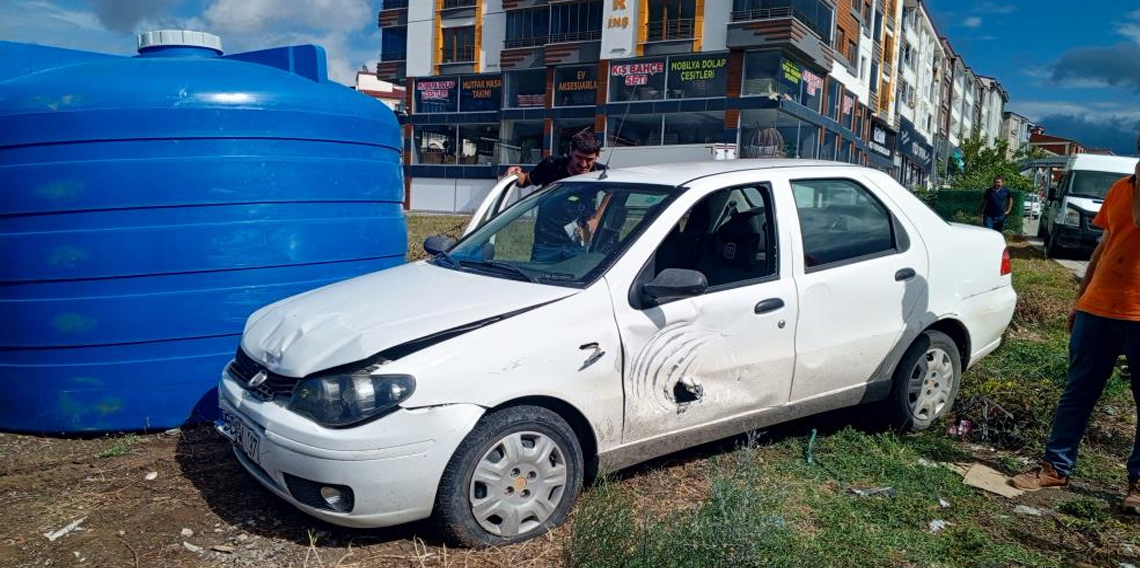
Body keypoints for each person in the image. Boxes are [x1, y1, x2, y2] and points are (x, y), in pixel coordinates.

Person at [1011, 129, 1140, 516]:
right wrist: (1079, 300)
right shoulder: (1120, 188)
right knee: (1078, 392)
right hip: (1097, 308)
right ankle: (1056, 467)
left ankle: (1137, 482)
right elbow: (1105, 245)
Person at [503, 132, 610, 263]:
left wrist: (596, 218)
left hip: (579, 241)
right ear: (571, 151)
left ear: (597, 155)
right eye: (579, 157)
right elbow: (525, 180)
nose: (583, 164)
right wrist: (514, 174)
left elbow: (613, 192)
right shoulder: (552, 165)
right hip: (547, 242)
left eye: (589, 160)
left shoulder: (601, 173)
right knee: (537, 281)